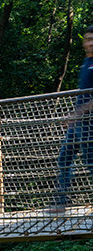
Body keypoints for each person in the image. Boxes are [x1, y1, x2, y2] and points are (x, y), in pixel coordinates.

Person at [54, 25, 93, 212]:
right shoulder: (86, 63)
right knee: (64, 158)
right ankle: (61, 202)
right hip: (78, 123)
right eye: (87, 39)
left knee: (91, 162)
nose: (90, 43)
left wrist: (76, 114)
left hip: (89, 123)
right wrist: (74, 117)